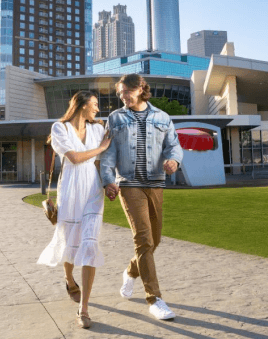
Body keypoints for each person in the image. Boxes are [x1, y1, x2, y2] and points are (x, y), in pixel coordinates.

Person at [100, 74, 183, 320]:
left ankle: (130, 271)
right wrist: (108, 181)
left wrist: (174, 161)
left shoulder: (162, 117)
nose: (123, 97)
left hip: (156, 183)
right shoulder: (115, 118)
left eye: (127, 92)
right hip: (129, 185)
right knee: (144, 239)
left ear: (140, 89)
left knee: (154, 240)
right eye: (120, 93)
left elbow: (174, 146)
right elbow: (108, 153)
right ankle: (154, 299)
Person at [37, 91, 111, 329]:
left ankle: (84, 309)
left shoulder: (99, 131)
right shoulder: (60, 129)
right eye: (94, 105)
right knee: (70, 243)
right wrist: (101, 148)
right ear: (81, 105)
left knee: (89, 243)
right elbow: (75, 158)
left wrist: (109, 183)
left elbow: (100, 163)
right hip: (69, 192)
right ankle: (69, 279)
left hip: (92, 193)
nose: (97, 109)